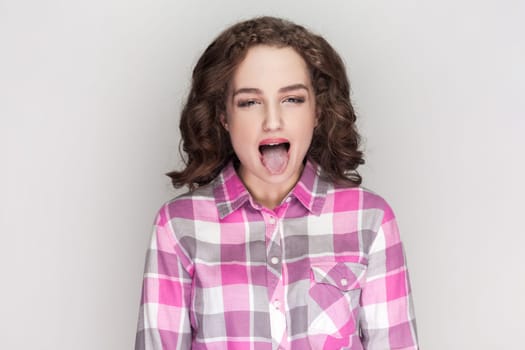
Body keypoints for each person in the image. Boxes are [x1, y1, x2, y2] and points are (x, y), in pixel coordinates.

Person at [135, 16, 418, 350]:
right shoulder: (179, 226)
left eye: (292, 99)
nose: (272, 121)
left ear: (317, 111)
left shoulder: (369, 220)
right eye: (250, 102)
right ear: (224, 116)